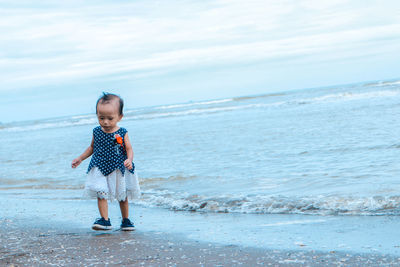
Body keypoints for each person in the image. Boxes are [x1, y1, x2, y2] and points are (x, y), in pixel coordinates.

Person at [72, 93, 140, 231]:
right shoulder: (96, 131)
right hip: (99, 166)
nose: (106, 122)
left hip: (118, 167)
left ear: (120, 117)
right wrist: (80, 158)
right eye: (101, 118)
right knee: (100, 192)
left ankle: (126, 220)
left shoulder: (122, 132)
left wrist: (129, 160)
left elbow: (129, 148)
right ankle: (105, 220)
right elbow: (92, 147)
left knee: (122, 194)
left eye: (110, 118)